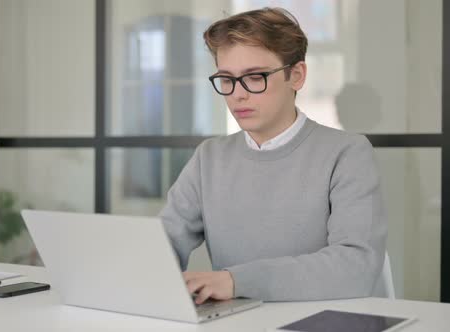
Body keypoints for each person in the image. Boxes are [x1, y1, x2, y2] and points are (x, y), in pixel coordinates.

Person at [159, 7, 387, 304]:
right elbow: (161, 245)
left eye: (254, 77)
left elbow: (356, 267)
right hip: (237, 324)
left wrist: (235, 281)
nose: (237, 94)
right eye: (226, 79)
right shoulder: (209, 158)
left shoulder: (347, 154)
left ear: (296, 75)